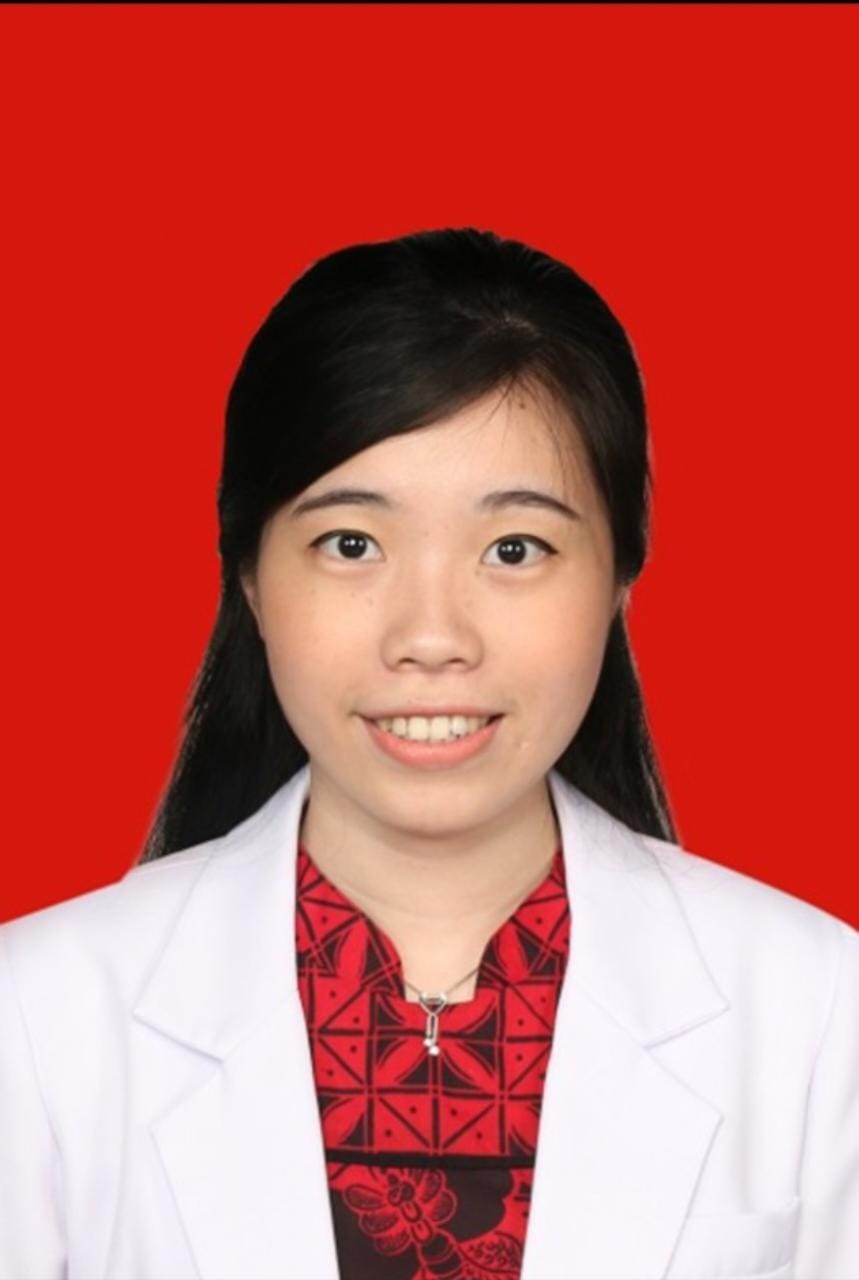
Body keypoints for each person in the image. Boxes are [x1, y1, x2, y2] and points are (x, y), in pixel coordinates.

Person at [0, 228, 856, 1280]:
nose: (432, 635)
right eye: (351, 544)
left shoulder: (817, 1015)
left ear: (620, 576)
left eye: (514, 549)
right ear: (251, 577)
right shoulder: (35, 1019)